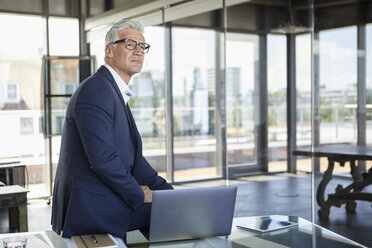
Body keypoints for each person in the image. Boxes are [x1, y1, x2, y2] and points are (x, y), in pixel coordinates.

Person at [51, 19, 173, 239]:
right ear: (109, 50)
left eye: (142, 46)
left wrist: (170, 194)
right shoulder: (97, 89)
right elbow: (103, 160)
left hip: (105, 199)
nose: (138, 52)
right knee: (171, 217)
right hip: (91, 208)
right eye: (129, 44)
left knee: (175, 212)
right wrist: (140, 193)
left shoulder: (114, 91)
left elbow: (136, 161)